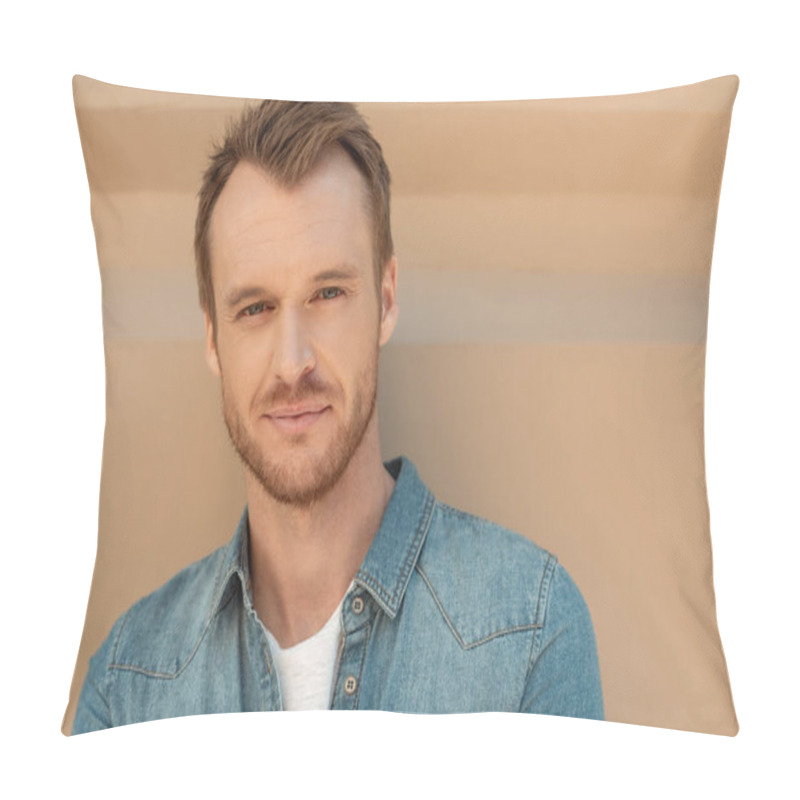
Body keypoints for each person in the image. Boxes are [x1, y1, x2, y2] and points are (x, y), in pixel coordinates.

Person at [72, 100, 603, 732]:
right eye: (254, 308)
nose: (292, 363)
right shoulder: (128, 684)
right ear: (213, 338)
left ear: (385, 299)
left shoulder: (532, 630)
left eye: (327, 294)